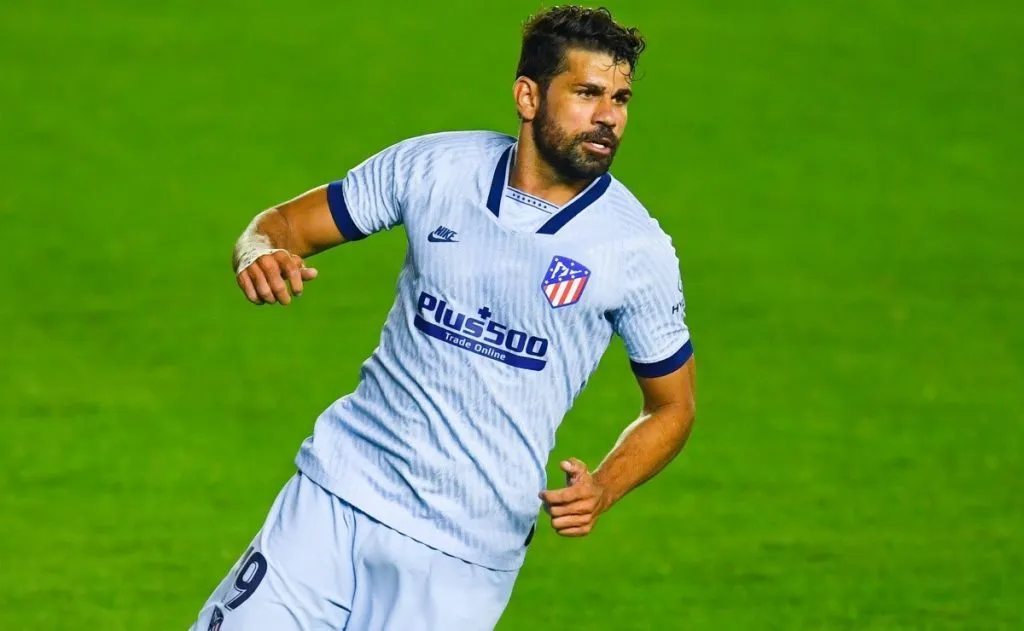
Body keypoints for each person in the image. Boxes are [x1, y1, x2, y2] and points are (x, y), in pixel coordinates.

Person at [188, 5, 697, 631]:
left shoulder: (636, 249)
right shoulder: (436, 169)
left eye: (620, 99)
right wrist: (260, 251)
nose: (608, 117)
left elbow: (672, 406)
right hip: (334, 495)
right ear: (528, 96)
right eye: (587, 93)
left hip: (462, 554)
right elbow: (285, 225)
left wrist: (605, 486)